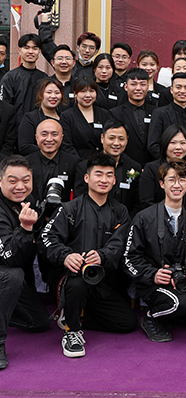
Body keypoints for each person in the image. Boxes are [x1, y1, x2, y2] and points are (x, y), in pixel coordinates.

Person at [38, 153, 137, 358]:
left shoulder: (120, 211)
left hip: (101, 281)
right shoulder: (69, 208)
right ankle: (72, 331)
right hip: (70, 277)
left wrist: (103, 255)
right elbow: (46, 238)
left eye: (109, 175)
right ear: (86, 178)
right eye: (98, 174)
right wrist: (66, 256)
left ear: (114, 180)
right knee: (77, 283)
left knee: (127, 323)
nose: (103, 180)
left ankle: (74, 312)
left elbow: (120, 244)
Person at [124, 159, 186, 342]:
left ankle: (175, 314)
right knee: (184, 303)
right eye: (171, 180)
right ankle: (150, 318)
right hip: (152, 283)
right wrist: (153, 274)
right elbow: (129, 258)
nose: (177, 185)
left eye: (182, 180)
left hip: (184, 283)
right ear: (162, 184)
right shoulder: (144, 217)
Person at [0, 156, 51, 369]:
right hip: (6, 271)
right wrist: (25, 228)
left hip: (13, 275)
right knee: (13, 275)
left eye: (26, 180)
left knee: (39, 322)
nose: (20, 186)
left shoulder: (28, 199)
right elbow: (10, 257)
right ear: (0, 181)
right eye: (12, 181)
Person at [74, 120, 142, 217]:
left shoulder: (134, 167)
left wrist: (126, 221)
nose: (116, 143)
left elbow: (137, 202)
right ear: (102, 138)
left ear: (127, 140)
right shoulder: (85, 166)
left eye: (121, 139)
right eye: (111, 138)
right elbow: (80, 199)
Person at [140, 124, 186, 212]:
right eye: (173, 143)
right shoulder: (151, 169)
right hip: (155, 217)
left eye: (182, 143)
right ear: (165, 144)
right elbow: (146, 202)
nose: (178, 147)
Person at [26, 119, 80, 208]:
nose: (49, 139)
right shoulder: (26, 163)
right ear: (36, 137)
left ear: (61, 137)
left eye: (54, 134)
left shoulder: (74, 162)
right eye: (44, 134)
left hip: (65, 213)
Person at [147, 72, 186, 160]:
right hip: (165, 164)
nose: (182, 91)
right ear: (171, 90)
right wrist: (169, 162)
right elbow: (153, 144)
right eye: (178, 87)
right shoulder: (160, 113)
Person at [110, 68, 157, 166]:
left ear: (148, 87)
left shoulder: (156, 112)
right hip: (125, 165)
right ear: (126, 87)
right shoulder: (115, 113)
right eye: (133, 84)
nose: (138, 88)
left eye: (142, 84)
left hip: (153, 166)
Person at [60, 77, 112, 159]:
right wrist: (81, 163)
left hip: (103, 162)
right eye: (83, 91)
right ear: (75, 93)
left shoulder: (104, 114)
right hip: (78, 162)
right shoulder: (67, 116)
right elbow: (67, 145)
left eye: (92, 91)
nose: (88, 95)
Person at [0, 34, 47, 122]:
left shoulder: (44, 78)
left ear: (39, 51)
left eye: (35, 48)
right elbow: (4, 107)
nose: (30, 51)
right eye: (26, 48)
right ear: (19, 50)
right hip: (15, 127)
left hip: (39, 126)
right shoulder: (9, 77)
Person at [19, 77, 64, 156]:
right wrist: (49, 151)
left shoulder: (65, 118)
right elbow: (24, 146)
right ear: (40, 94)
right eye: (49, 92)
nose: (53, 96)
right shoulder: (30, 118)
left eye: (57, 93)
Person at [49, 44, 76, 108]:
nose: (64, 62)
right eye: (60, 58)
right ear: (52, 63)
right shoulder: (44, 85)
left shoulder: (79, 85)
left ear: (74, 63)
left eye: (68, 59)